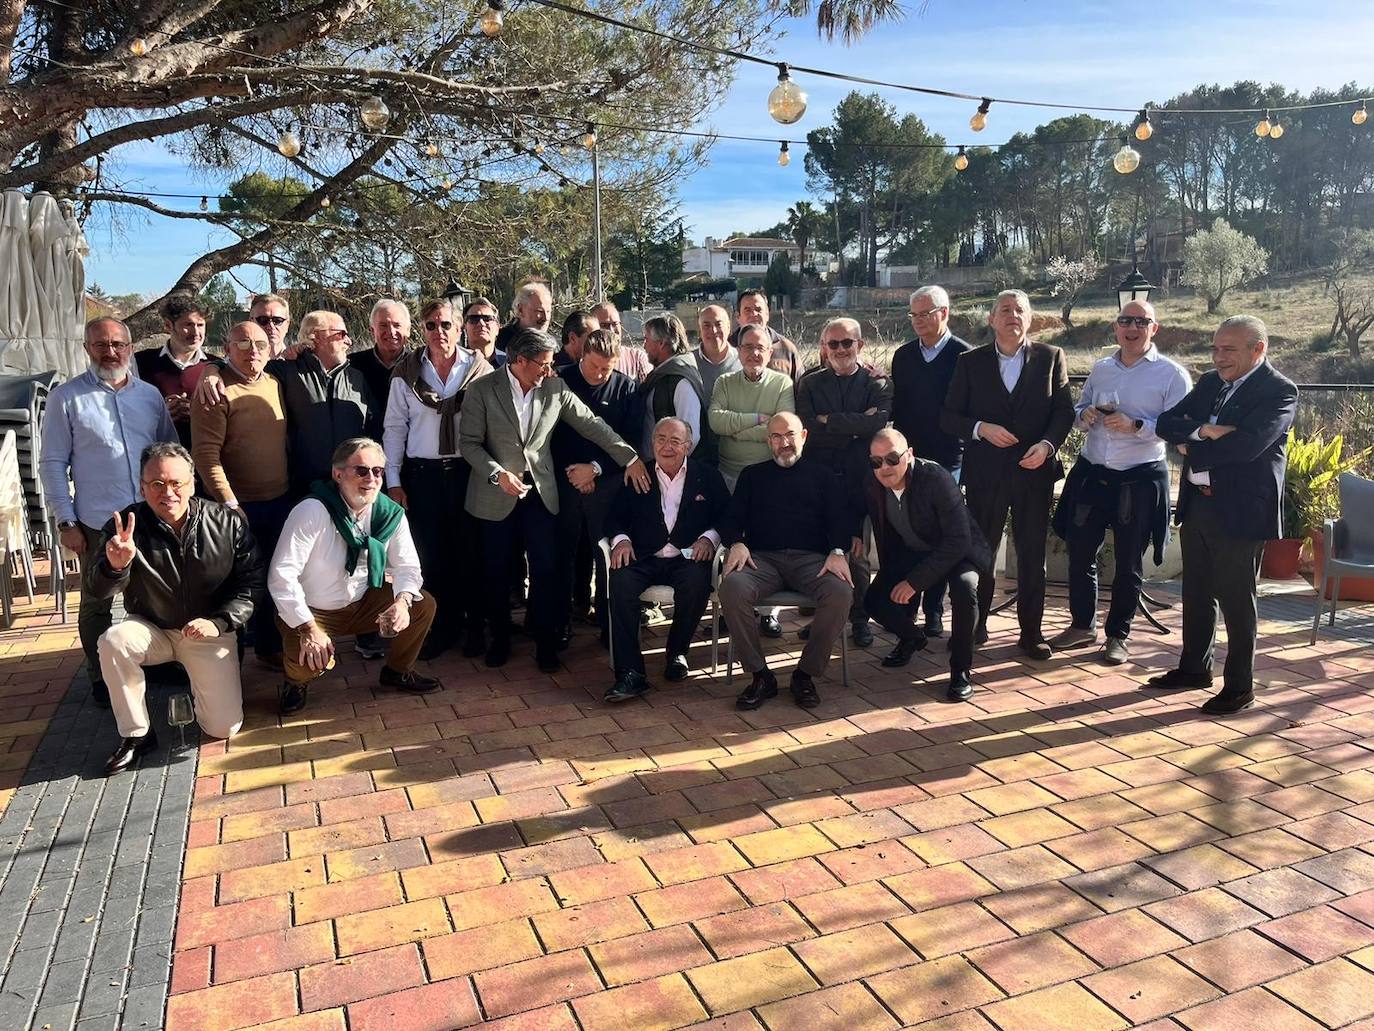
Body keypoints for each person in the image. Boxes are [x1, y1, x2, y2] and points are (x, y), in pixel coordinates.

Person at [459, 328, 650, 673]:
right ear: (520, 361)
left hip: (539, 494)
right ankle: (499, 640)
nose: (550, 371)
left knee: (546, 569)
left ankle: (546, 645)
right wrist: (497, 473)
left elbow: (593, 425)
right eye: (544, 365)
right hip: (494, 493)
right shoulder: (482, 389)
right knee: (497, 570)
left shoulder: (554, 388)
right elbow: (469, 444)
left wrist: (630, 457)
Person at [1149, 315, 1298, 714]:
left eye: (1228, 349)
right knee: (1196, 592)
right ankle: (1194, 669)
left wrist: (1191, 443)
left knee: (1236, 599)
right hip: (1199, 503)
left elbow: (1247, 446)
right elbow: (1166, 423)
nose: (1218, 357)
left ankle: (1239, 687)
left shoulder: (1279, 390)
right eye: (1215, 348)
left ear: (1258, 349)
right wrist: (1205, 431)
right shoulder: (1212, 384)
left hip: (1240, 511)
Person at [90, 443, 261, 774]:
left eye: (176, 483)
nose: (166, 492)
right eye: (156, 484)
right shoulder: (125, 526)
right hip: (151, 626)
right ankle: (137, 734)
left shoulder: (226, 523)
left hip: (207, 630)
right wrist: (115, 567)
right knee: (113, 641)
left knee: (222, 727)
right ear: (142, 487)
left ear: (193, 483)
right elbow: (96, 591)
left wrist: (221, 621)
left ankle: (203, 685)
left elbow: (252, 584)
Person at [41, 318, 178, 707]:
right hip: (96, 519)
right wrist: (66, 521)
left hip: (150, 516)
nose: (111, 351)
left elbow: (169, 452)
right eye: (101, 344)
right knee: (96, 601)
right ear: (87, 348)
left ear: (130, 347)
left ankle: (156, 661)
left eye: (118, 344)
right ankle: (100, 676)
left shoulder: (149, 396)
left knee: (154, 595)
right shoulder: (66, 398)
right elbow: (52, 462)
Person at [1050, 301, 1192, 665]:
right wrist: (1087, 415)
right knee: (1080, 552)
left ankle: (1118, 635)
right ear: (1116, 326)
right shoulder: (1101, 368)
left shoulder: (1172, 375)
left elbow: (1179, 427)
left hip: (1140, 477)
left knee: (1129, 561)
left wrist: (1137, 425)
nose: (1132, 327)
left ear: (1154, 328)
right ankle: (1083, 625)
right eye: (1125, 320)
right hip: (1093, 472)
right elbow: (1079, 412)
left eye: (1141, 321)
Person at [941, 289, 1074, 659]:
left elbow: (1063, 412)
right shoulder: (970, 362)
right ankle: (974, 625)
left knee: (1033, 557)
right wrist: (981, 428)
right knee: (981, 553)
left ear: (1030, 319)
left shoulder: (1052, 358)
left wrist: (1047, 446)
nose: (1012, 315)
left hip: (1034, 474)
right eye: (1004, 310)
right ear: (991, 319)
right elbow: (949, 417)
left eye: (1019, 310)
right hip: (986, 473)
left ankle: (1031, 634)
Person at [269, 438, 440, 715]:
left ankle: (397, 672)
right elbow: (282, 575)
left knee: (423, 605)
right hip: (313, 611)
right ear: (338, 474)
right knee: (307, 665)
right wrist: (308, 628)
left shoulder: (389, 514)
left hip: (362, 602)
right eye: (361, 470)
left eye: (378, 471)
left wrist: (402, 602)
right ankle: (296, 683)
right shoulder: (312, 510)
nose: (371, 478)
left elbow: (408, 566)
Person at [718, 412, 855, 711]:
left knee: (841, 592)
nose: (784, 442)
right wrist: (736, 542)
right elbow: (729, 520)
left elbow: (842, 521)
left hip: (813, 562)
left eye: (790, 435)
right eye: (777, 437)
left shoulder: (823, 475)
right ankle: (760, 676)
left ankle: (805, 674)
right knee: (732, 588)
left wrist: (838, 551)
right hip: (762, 562)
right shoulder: (752, 476)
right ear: (768, 441)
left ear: (803, 436)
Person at [383, 298, 496, 660]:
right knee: (432, 557)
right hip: (423, 477)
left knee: (471, 554)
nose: (438, 332)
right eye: (431, 325)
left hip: (467, 472)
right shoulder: (407, 372)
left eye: (445, 324)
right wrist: (394, 481)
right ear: (422, 329)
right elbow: (394, 429)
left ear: (459, 327)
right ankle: (441, 628)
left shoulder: (480, 368)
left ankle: (476, 628)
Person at [603, 417, 730, 702]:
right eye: (661, 438)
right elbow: (614, 517)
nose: (667, 446)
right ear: (652, 442)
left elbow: (727, 516)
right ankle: (630, 673)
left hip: (687, 557)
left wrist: (709, 538)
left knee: (697, 583)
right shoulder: (638, 473)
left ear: (688, 445)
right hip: (643, 555)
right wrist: (621, 541)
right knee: (620, 582)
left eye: (675, 440)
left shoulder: (706, 476)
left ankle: (677, 652)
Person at [190, 320, 290, 667]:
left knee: (275, 576)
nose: (252, 352)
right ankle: (227, 660)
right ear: (227, 347)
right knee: (237, 584)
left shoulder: (275, 384)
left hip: (279, 501)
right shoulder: (214, 391)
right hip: (235, 507)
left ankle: (270, 647)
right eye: (243, 344)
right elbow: (205, 454)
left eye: (260, 344)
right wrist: (229, 503)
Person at [863, 430, 990, 702]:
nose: (884, 467)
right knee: (873, 600)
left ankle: (961, 671)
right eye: (876, 461)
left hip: (958, 552)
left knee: (965, 590)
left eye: (892, 458)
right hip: (915, 549)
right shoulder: (873, 482)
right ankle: (911, 638)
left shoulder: (936, 479)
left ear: (909, 455)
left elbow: (958, 540)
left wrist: (914, 582)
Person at [198, 310, 381, 498]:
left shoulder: (357, 377)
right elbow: (246, 367)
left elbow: (375, 428)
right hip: (302, 490)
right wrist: (212, 370)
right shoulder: (284, 371)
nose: (348, 341)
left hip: (352, 487)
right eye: (341, 333)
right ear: (316, 336)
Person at [796, 317, 892, 648]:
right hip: (819, 481)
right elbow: (809, 429)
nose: (839, 349)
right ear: (824, 347)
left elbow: (877, 426)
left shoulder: (877, 382)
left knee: (858, 554)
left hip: (860, 482)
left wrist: (831, 421)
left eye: (846, 343)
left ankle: (859, 619)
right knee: (821, 552)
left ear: (860, 345)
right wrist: (854, 424)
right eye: (832, 344)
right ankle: (826, 618)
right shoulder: (809, 383)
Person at [890, 285, 973, 638]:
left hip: (948, 457)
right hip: (907, 460)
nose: (920, 321)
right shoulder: (903, 356)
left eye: (927, 313)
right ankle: (905, 607)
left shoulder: (965, 356)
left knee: (940, 535)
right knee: (909, 530)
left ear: (945, 313)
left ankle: (934, 609)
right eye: (915, 315)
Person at [551, 329, 640, 645]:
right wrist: (575, 474)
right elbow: (547, 433)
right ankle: (559, 623)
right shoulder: (559, 380)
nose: (600, 374)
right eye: (594, 366)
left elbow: (630, 441)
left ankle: (609, 624)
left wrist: (595, 471)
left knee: (607, 558)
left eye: (607, 368)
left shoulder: (627, 389)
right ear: (581, 355)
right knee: (561, 555)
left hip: (608, 485)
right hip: (564, 480)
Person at [710, 323, 797, 639]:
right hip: (728, 475)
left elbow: (781, 430)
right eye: (747, 347)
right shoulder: (724, 382)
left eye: (760, 347)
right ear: (738, 349)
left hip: (767, 477)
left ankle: (767, 614)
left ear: (770, 351)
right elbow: (716, 421)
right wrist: (759, 421)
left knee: (764, 540)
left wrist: (739, 426)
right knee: (728, 540)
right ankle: (726, 607)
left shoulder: (782, 384)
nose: (754, 353)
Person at [136, 294, 212, 449]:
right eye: (188, 325)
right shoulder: (140, 362)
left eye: (200, 325)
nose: (196, 332)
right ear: (168, 325)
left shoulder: (215, 366)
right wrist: (161, 416)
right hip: (155, 460)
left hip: (203, 462)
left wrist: (198, 414)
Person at [640, 314, 711, 459]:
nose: (644, 346)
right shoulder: (660, 375)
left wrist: (670, 467)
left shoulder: (681, 382)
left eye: (646, 340)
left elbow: (691, 436)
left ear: (661, 343)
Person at [351, 299, 414, 414]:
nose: (391, 331)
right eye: (383, 325)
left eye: (397, 325)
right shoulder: (352, 366)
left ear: (408, 330)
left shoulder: (419, 366)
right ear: (372, 330)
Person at [728, 290, 801, 384]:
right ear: (738, 316)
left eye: (758, 310)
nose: (754, 314)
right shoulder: (727, 348)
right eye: (748, 310)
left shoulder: (786, 348)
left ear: (767, 314)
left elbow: (800, 388)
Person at [592, 300, 652, 381]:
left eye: (614, 324)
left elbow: (649, 390)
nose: (611, 330)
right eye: (603, 325)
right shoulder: (585, 361)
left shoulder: (637, 358)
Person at [694, 304, 741, 408]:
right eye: (706, 326)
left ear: (729, 327)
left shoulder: (742, 361)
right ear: (700, 330)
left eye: (718, 324)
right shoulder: (689, 363)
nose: (713, 330)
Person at [495, 281, 554, 355]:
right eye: (539, 311)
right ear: (520, 310)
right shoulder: (501, 342)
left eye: (548, 312)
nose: (545, 318)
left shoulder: (551, 344)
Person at [461, 296, 506, 368]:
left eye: (487, 319)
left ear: (497, 328)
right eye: (474, 319)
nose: (481, 323)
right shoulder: (454, 365)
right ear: (464, 326)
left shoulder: (510, 364)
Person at [249, 293, 292, 357]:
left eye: (278, 320)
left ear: (287, 325)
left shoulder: (301, 363)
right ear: (251, 322)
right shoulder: (238, 363)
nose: (271, 326)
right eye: (263, 320)